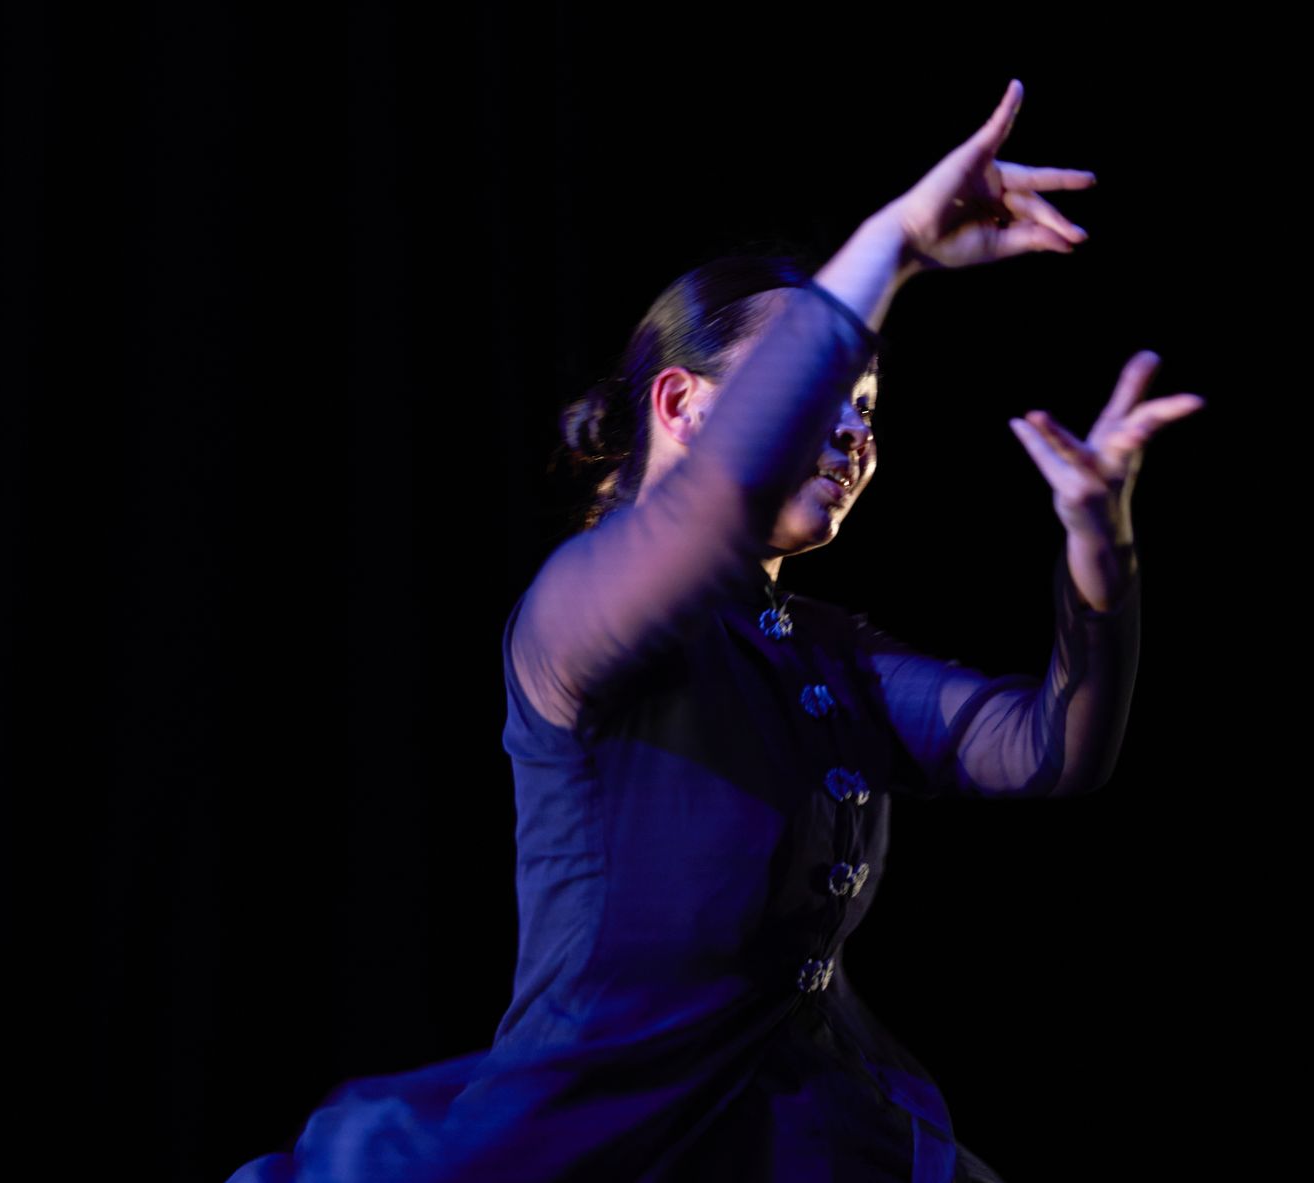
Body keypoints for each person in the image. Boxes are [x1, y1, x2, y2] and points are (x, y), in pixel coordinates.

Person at [226, 78, 1203, 1183]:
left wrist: (1098, 546)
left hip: (803, 1131)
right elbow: (710, 513)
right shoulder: (577, 605)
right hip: (601, 1142)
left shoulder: (829, 651)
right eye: (819, 393)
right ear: (683, 405)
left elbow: (1052, 750)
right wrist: (893, 242)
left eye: (867, 409)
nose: (852, 432)